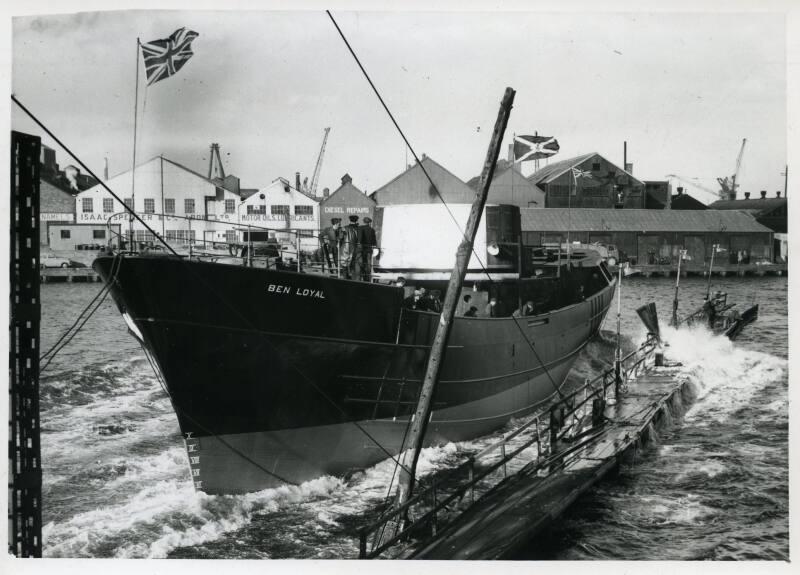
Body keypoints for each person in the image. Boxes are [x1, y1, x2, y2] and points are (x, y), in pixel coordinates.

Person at [357, 216, 378, 282]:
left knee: (362, 263)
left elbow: (359, 239)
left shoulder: (360, 228)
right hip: (369, 249)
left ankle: (363, 276)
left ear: (364, 222)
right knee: (368, 263)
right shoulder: (372, 230)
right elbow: (374, 241)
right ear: (369, 223)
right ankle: (368, 277)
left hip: (362, 249)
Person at [340, 215, 360, 279]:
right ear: (356, 220)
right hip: (354, 249)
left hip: (345, 249)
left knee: (344, 266)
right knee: (353, 265)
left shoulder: (344, 228)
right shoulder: (358, 229)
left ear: (349, 220)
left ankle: (345, 279)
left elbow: (340, 238)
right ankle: (352, 279)